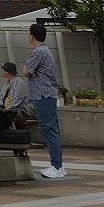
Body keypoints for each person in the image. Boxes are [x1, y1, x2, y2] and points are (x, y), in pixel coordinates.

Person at [25, 22, 66, 179]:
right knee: (52, 129)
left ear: (32, 36)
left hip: (42, 94)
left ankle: (56, 166)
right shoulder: (46, 51)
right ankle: (58, 165)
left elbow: (27, 71)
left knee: (49, 130)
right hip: (49, 93)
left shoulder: (38, 52)